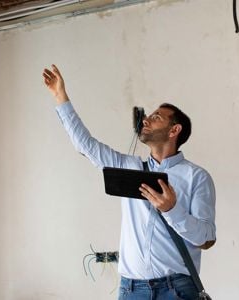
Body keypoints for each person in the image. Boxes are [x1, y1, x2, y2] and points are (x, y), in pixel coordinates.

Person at [42, 64, 216, 300]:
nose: (146, 120)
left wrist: (172, 210)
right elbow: (86, 145)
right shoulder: (129, 168)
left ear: (174, 130)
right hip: (131, 290)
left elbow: (206, 239)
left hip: (177, 289)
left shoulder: (197, 177)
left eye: (156, 117)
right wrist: (60, 96)